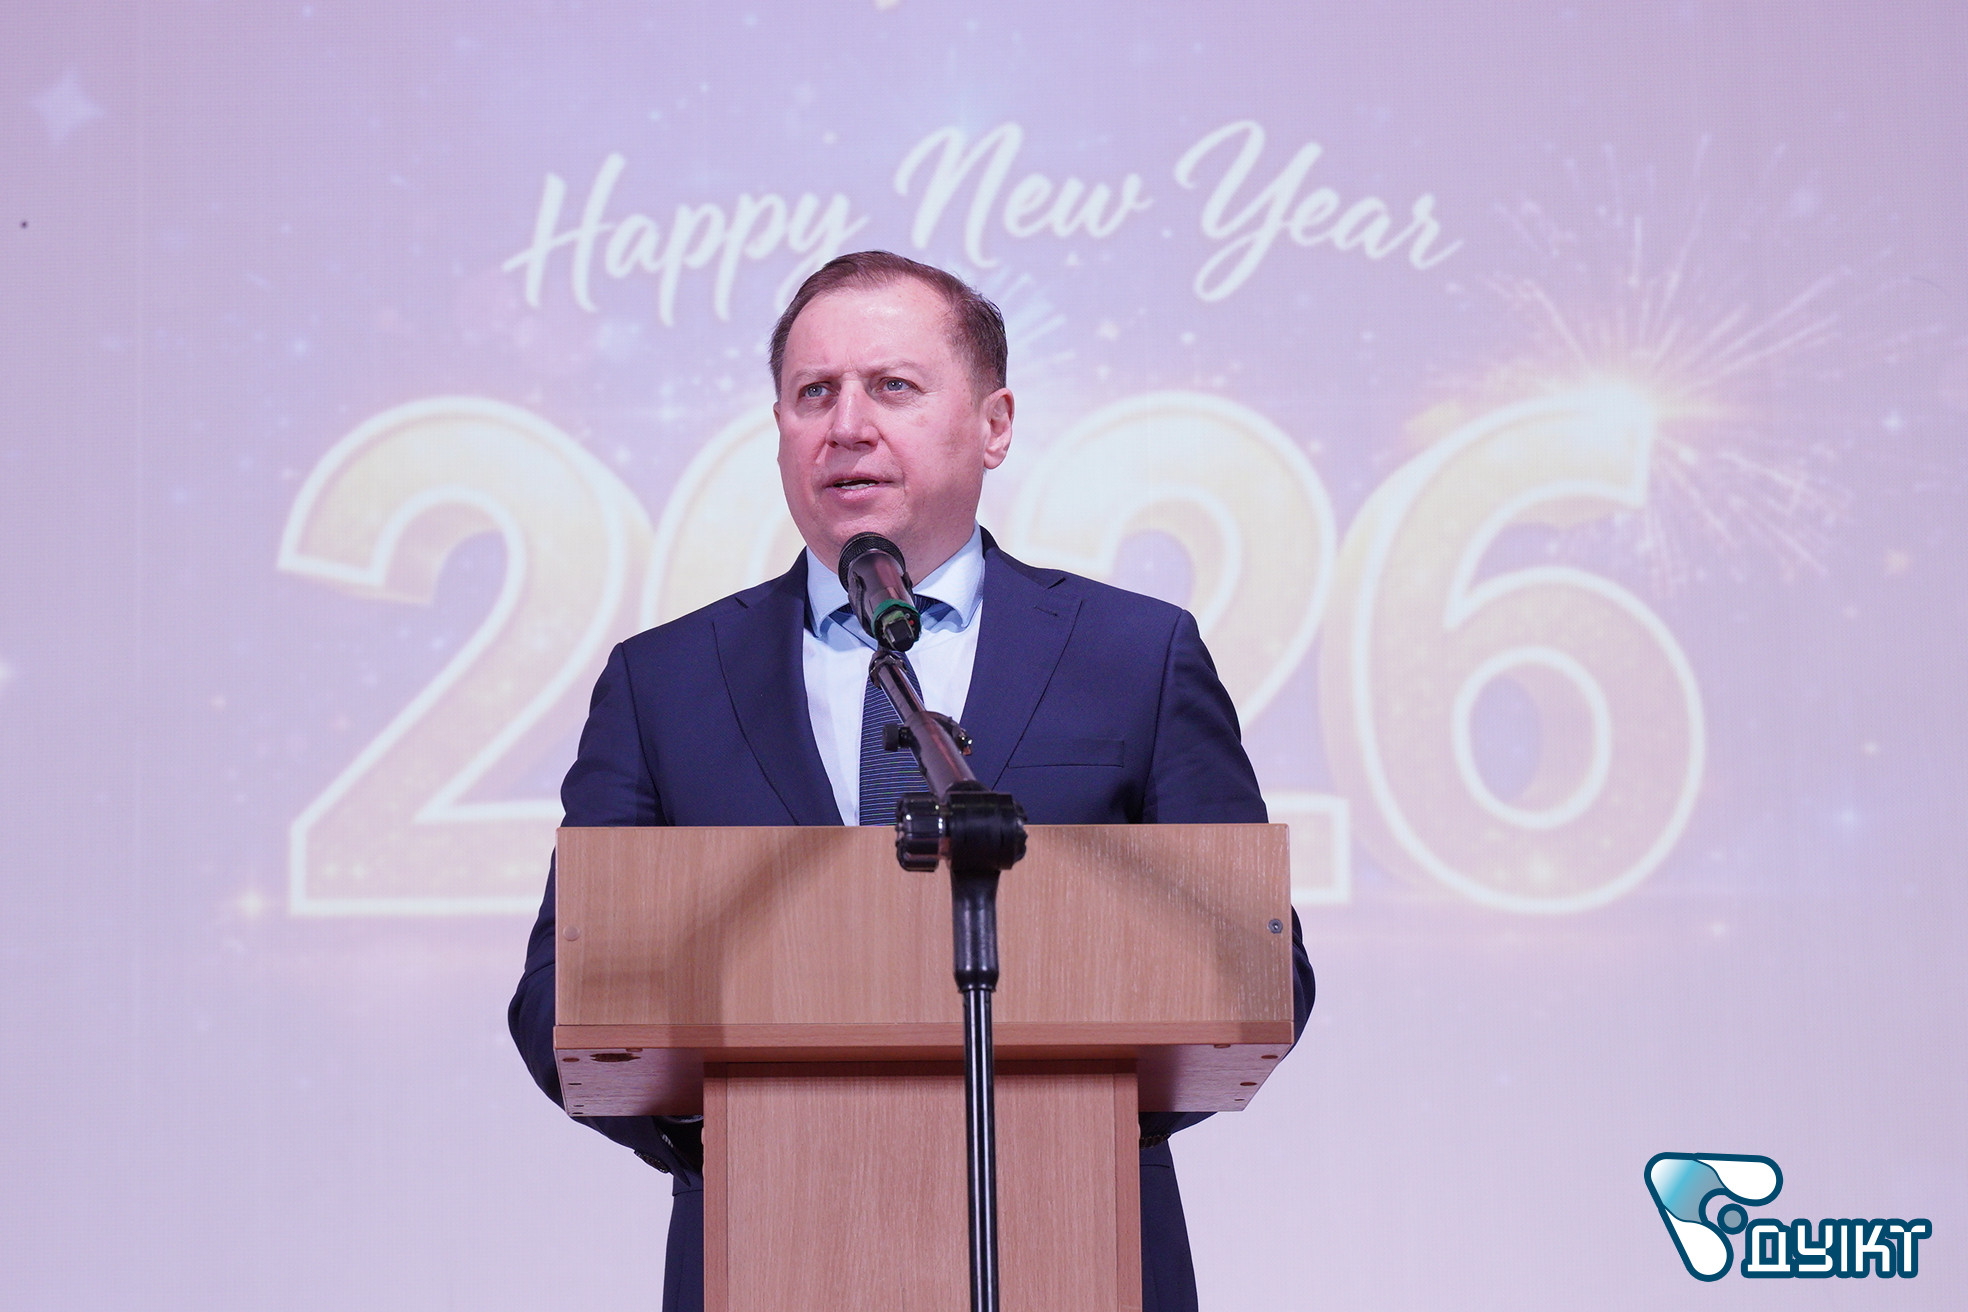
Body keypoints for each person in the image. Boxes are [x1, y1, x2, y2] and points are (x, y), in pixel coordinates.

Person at [509, 251, 1315, 1312]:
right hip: (764, 1251)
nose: (847, 425)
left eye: (892, 386)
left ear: (994, 424)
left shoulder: (1135, 657)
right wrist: (747, 1125)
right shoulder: (663, 683)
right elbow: (559, 992)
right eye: (814, 393)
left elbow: (1258, 963)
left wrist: (1063, 1117)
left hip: (1078, 1247)